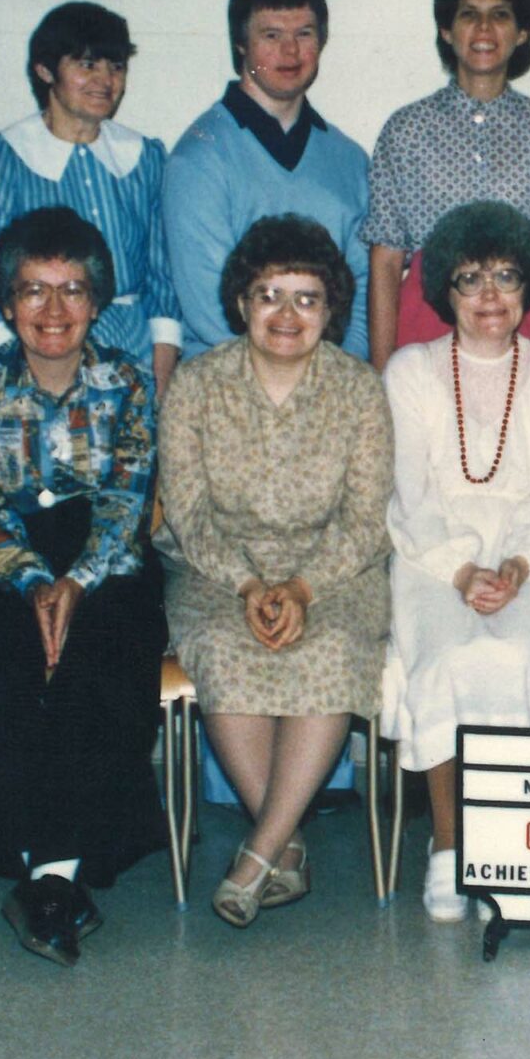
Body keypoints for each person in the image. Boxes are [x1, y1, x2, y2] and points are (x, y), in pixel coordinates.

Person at [0, 207, 168, 967]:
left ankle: (54, 875)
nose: (54, 311)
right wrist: (38, 581)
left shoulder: (128, 384)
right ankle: (43, 873)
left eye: (72, 290)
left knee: (102, 652)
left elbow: (129, 497)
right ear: (6, 301)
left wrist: (77, 579)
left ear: (97, 301)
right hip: (5, 560)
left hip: (104, 557)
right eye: (34, 291)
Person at [157, 215, 394, 928]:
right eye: (269, 295)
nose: (286, 315)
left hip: (335, 571)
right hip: (218, 569)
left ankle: (259, 853)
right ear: (240, 304)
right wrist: (252, 585)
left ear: (330, 311)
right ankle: (284, 846)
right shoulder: (195, 387)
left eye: (306, 298)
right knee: (227, 649)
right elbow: (189, 513)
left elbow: (367, 516)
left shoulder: (360, 392)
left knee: (330, 649)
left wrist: (301, 587)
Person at [383, 202, 530, 923]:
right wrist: (465, 569)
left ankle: (516, 849)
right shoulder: (411, 370)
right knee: (444, 660)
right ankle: (447, 849)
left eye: (506, 276)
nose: (491, 296)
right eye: (470, 280)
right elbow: (410, 493)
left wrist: (519, 566)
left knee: (524, 655)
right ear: (445, 290)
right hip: (430, 553)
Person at [366, 0, 530, 366]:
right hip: (425, 329)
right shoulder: (406, 130)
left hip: (522, 327)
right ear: (447, 29)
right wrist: (381, 372)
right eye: (468, 14)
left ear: (522, 32)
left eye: (500, 14)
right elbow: (387, 262)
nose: (484, 28)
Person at [0, 2, 182, 391]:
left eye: (115, 66)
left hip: (133, 352)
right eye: (87, 65)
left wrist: (160, 380)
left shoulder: (143, 156)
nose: (104, 80)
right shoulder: (6, 155)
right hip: (38, 352)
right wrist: (7, 380)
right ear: (46, 70)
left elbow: (162, 276)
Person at [164, 0, 372, 362]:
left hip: (330, 385)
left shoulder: (349, 160)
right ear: (241, 43)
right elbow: (211, 312)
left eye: (304, 34)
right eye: (271, 35)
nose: (290, 51)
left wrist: (341, 376)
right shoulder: (200, 158)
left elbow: (363, 291)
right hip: (229, 386)